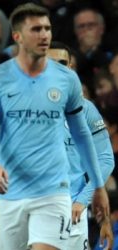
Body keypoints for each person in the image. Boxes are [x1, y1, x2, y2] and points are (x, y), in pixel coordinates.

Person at [0, 3, 110, 250]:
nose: (44, 34)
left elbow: (81, 134)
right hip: (10, 192)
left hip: (54, 191)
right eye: (36, 29)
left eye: (47, 28)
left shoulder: (67, 79)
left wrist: (98, 187)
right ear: (17, 36)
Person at [48, 41, 114, 250]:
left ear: (70, 68)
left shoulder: (86, 110)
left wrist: (82, 200)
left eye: (62, 63)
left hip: (72, 211)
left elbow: (105, 159)